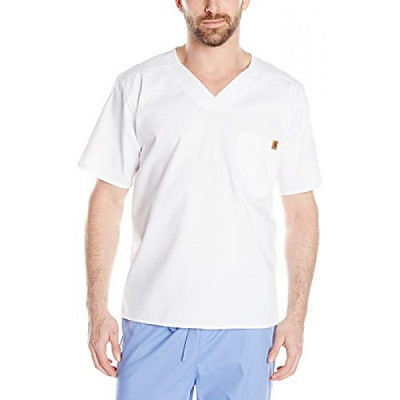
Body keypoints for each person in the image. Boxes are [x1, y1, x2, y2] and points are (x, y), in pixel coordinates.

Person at [77, 1, 322, 398]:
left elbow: (301, 211)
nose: (212, 6)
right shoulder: (139, 85)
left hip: (247, 325)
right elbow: (107, 199)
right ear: (178, 1)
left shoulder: (283, 94)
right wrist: (96, 308)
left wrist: (296, 317)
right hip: (152, 318)